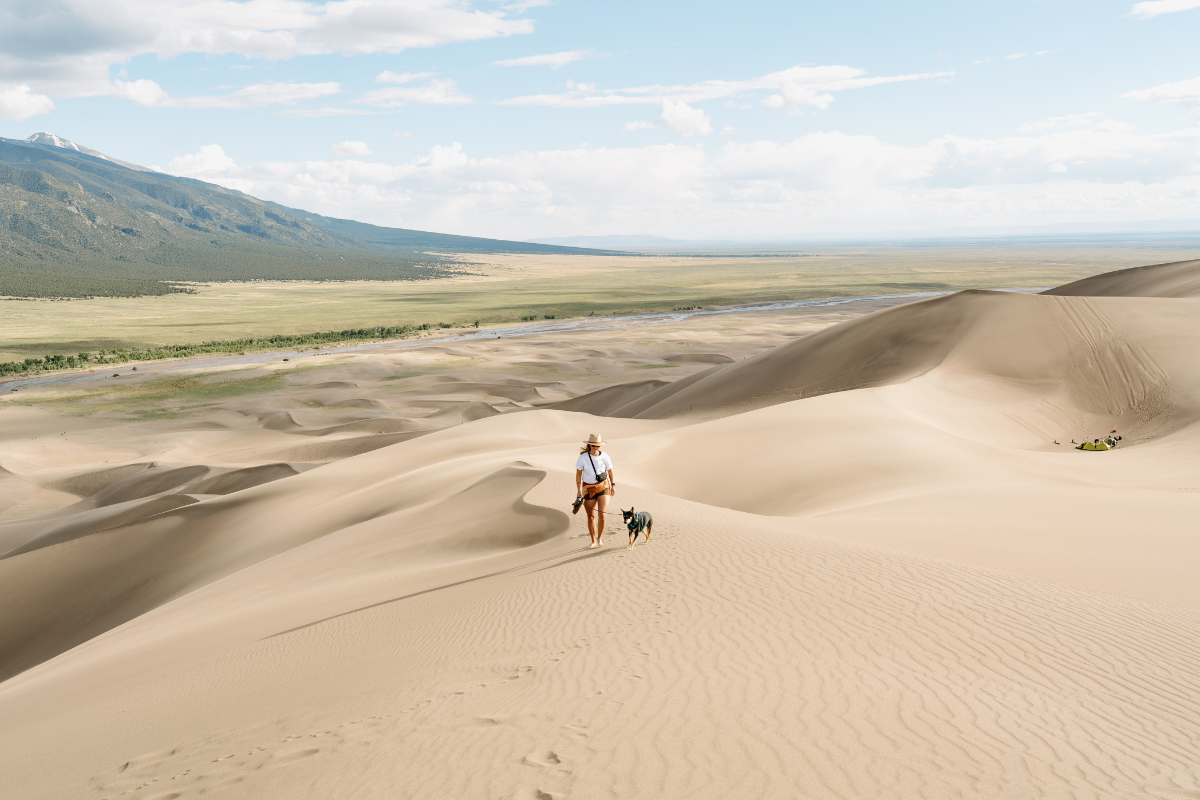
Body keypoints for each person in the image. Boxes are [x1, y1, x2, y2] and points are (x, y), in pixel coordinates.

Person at [575, 434, 616, 548]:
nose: (595, 447)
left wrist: (613, 485)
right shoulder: (583, 457)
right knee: (591, 516)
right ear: (589, 445)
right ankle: (593, 541)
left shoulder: (605, 456)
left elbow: (610, 471)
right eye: (593, 445)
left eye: (597, 446)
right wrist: (578, 490)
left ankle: (600, 539)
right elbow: (578, 474)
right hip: (588, 489)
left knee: (602, 514)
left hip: (603, 486)